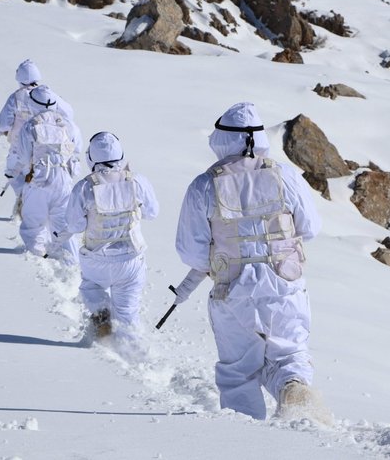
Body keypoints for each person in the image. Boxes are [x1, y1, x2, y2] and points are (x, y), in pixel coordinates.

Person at [174, 102, 326, 421]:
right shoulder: (284, 175)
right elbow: (310, 228)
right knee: (289, 359)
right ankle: (297, 400)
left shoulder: (204, 184)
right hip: (285, 285)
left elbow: (192, 252)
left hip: (234, 293)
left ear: (222, 139)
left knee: (238, 375)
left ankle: (247, 442)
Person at [65, 132, 159, 340]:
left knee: (90, 288)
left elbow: (74, 224)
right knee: (128, 314)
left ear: (91, 158)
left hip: (97, 260)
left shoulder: (84, 187)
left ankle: (101, 314)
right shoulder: (137, 181)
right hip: (131, 260)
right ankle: (134, 354)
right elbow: (153, 212)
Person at [8, 85, 82, 262]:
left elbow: (25, 156)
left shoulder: (30, 126)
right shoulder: (69, 125)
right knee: (64, 225)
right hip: (64, 180)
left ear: (34, 103)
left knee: (33, 223)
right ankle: (71, 262)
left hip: (39, 180)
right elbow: (77, 149)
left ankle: (37, 261)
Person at [0, 60, 74, 211]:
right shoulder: (47, 94)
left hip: (19, 148)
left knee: (13, 174)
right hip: (48, 149)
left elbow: (4, 122)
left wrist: (1, 130)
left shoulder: (16, 97)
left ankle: (25, 202)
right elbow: (69, 113)